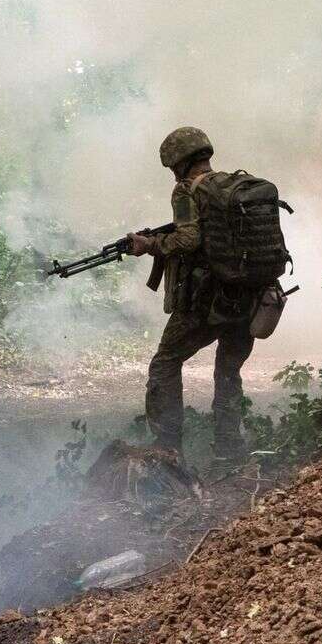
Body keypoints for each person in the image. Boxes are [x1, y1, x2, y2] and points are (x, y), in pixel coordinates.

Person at [126, 126, 255, 461]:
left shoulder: (186, 191)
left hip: (207, 300)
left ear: (179, 163)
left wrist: (149, 245)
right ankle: (230, 450)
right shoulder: (235, 185)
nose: (172, 174)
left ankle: (168, 451)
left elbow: (188, 240)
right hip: (248, 296)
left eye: (171, 167)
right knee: (228, 370)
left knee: (165, 363)